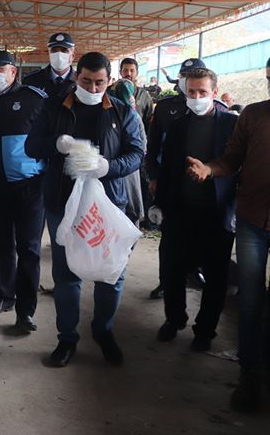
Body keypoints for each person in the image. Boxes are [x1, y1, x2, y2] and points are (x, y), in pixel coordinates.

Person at [26, 52, 145, 368]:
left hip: (108, 203)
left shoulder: (122, 111)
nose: (92, 88)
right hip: (63, 202)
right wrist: (56, 144)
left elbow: (137, 153)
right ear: (76, 77)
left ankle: (104, 331)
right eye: (86, 81)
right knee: (67, 275)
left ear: (110, 81)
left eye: (99, 83)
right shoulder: (54, 106)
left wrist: (109, 166)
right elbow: (31, 146)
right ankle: (67, 339)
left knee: (110, 272)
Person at [185, 56, 270, 413]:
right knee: (250, 299)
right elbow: (232, 158)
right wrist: (210, 168)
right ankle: (249, 374)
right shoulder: (253, 114)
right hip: (252, 220)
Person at [155, 68, 237, 354]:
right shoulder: (178, 126)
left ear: (214, 92)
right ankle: (174, 319)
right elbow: (167, 169)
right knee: (172, 270)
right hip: (181, 211)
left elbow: (240, 167)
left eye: (203, 92)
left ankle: (204, 331)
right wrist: (160, 204)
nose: (197, 97)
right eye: (192, 91)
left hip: (217, 213)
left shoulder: (232, 125)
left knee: (215, 277)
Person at [0, 51, 47, 333]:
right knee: (1, 245)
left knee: (28, 248)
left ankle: (25, 311)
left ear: (13, 72)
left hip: (29, 187)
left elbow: (49, 139)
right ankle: (4, 296)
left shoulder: (34, 99)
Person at [146, 58, 212, 298]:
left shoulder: (217, 111)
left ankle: (195, 272)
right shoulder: (165, 108)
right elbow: (152, 147)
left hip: (204, 186)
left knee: (201, 235)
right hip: (171, 182)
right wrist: (154, 177)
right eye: (184, 76)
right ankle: (166, 281)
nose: (190, 84)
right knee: (170, 238)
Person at [109, 79, 147, 225]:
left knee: (126, 209)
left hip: (121, 169)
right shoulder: (133, 114)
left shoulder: (128, 115)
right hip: (125, 168)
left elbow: (141, 147)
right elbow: (142, 146)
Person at [23, 32, 76, 99]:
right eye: (54, 50)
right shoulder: (31, 81)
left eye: (64, 51)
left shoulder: (81, 82)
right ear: (49, 55)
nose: (59, 55)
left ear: (72, 56)